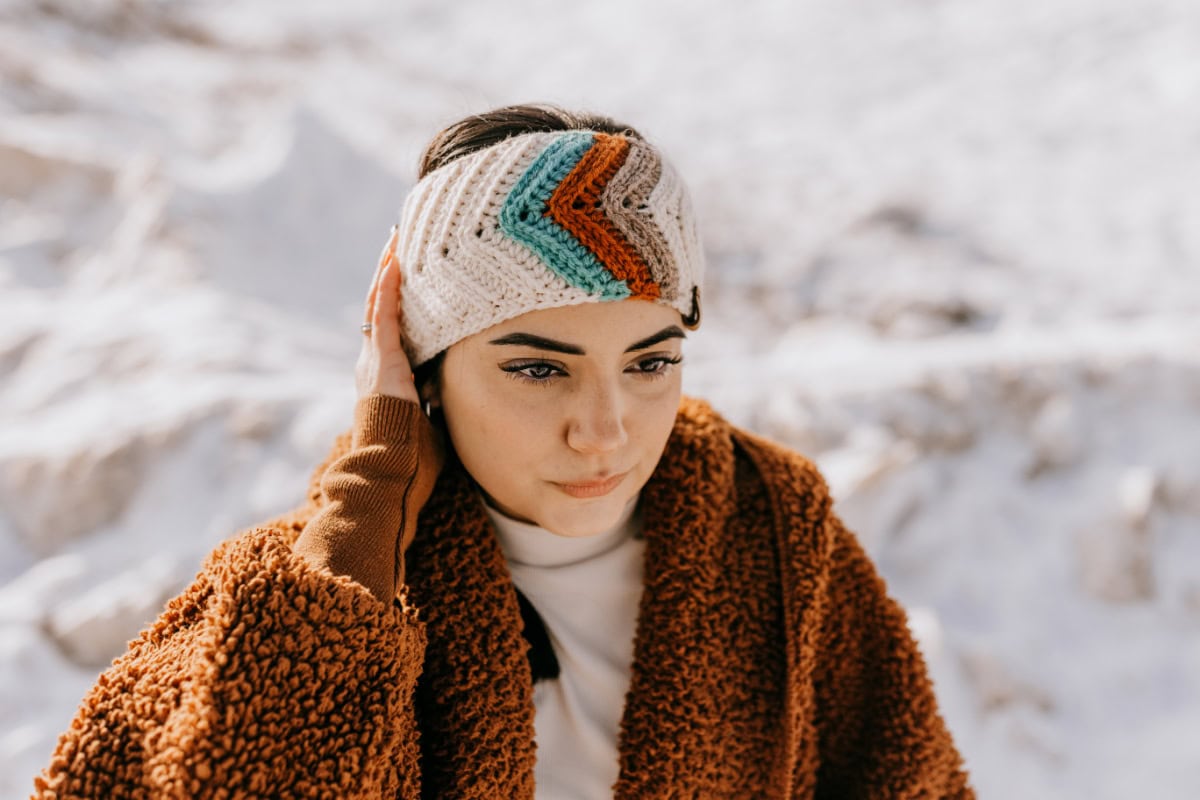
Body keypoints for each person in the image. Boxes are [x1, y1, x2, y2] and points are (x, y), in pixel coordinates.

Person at [33, 104, 974, 799]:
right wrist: (367, 516)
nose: (604, 429)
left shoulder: (775, 538)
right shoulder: (309, 588)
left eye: (651, 362)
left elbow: (914, 779)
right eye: (537, 370)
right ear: (423, 368)